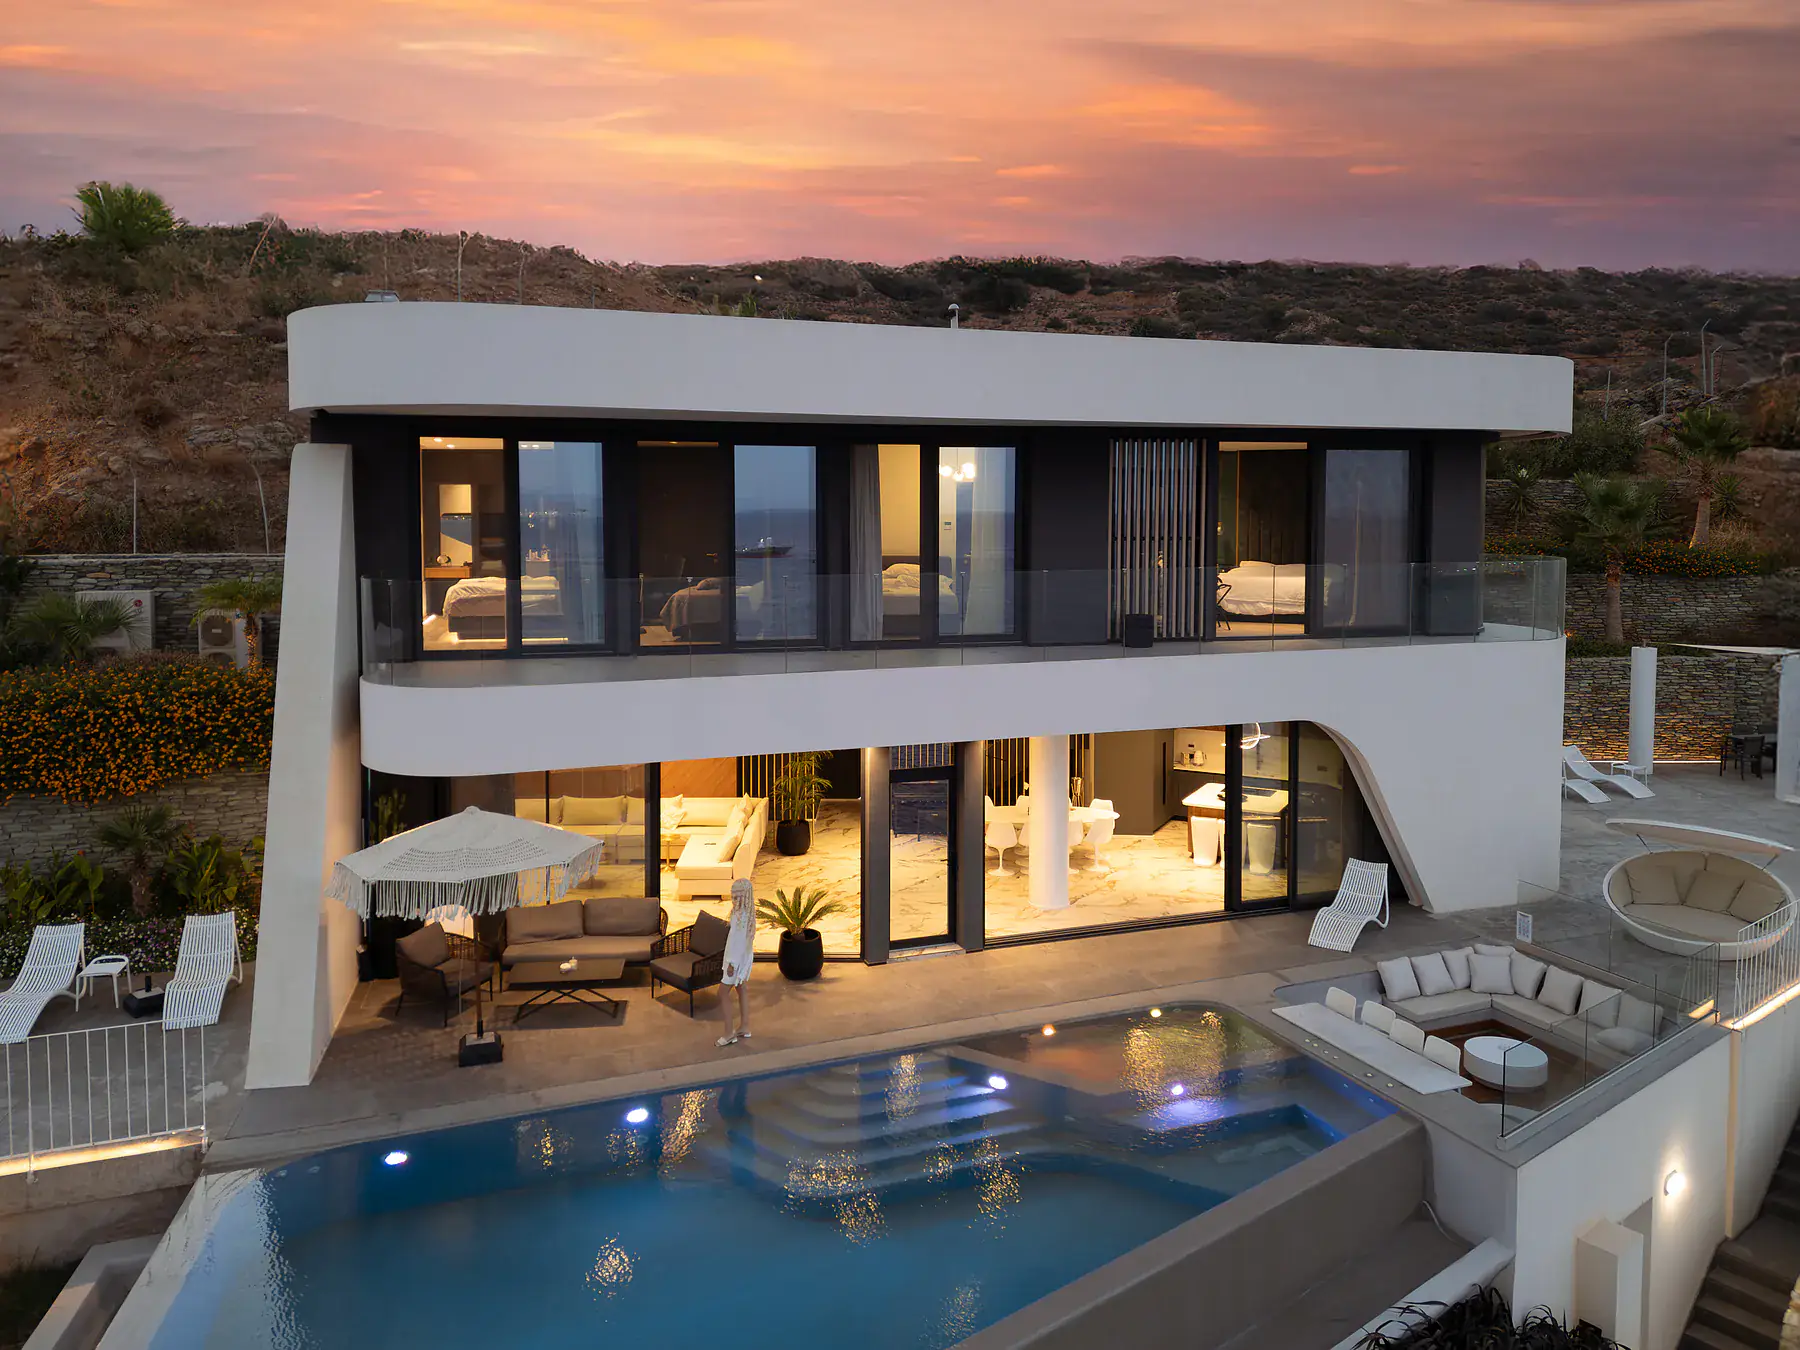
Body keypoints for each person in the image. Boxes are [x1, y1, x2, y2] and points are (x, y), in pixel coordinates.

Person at [718, 878, 757, 1047]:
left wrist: (732, 963)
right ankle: (745, 1026)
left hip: (734, 961)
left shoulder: (740, 916)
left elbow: (737, 941)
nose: (732, 896)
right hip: (742, 958)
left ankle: (729, 1033)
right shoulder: (747, 913)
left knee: (722, 993)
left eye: (735, 893)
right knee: (742, 989)